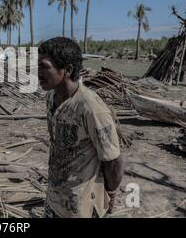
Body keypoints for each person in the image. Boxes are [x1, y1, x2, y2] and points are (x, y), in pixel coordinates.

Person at [38, 37, 123, 218]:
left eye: (45, 66)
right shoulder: (51, 98)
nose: (38, 72)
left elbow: (113, 160)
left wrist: (111, 193)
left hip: (80, 207)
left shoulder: (91, 108)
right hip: (54, 198)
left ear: (67, 70)